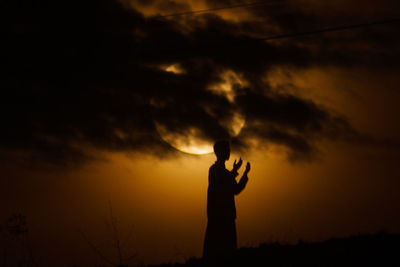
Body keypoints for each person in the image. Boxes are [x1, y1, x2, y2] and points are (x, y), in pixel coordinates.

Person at [203, 140, 250, 264]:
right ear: (221, 152)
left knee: (220, 252)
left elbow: (231, 186)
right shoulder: (216, 171)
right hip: (222, 216)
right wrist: (240, 173)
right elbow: (231, 186)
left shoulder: (217, 171)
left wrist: (238, 172)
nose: (229, 152)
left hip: (221, 216)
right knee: (222, 252)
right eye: (226, 150)